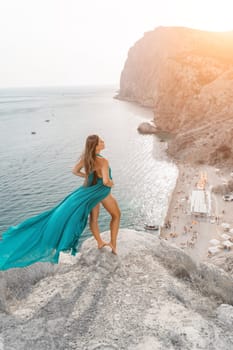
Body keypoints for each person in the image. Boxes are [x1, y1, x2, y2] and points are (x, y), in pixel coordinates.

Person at [0, 134, 120, 271]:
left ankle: (100, 242)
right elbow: (105, 181)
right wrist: (111, 183)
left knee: (94, 218)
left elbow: (74, 171)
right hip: (100, 191)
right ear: (96, 146)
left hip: (88, 190)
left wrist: (86, 176)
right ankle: (113, 245)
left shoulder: (86, 158)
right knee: (116, 215)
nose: (103, 142)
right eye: (101, 141)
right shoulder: (103, 161)